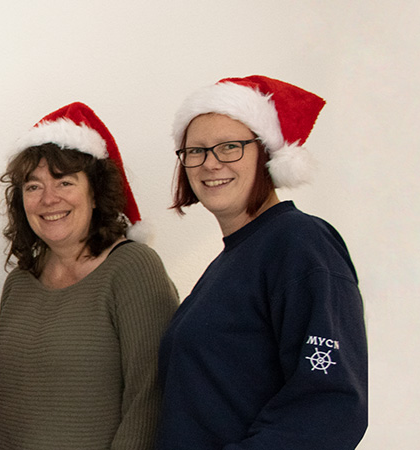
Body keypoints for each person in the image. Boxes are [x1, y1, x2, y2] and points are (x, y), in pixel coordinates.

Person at [155, 76, 369, 449]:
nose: (210, 163)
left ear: (266, 154)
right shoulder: (230, 260)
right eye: (196, 151)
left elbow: (330, 405)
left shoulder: (300, 243)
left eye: (230, 147)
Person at [0, 103, 178, 450]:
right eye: (33, 186)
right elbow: (0, 407)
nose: (49, 199)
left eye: (64, 182)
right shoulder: (19, 282)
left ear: (95, 194)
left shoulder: (133, 268)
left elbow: (150, 398)